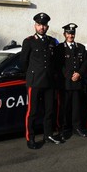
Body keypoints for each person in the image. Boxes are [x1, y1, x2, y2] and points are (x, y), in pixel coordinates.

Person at [20, 12, 63, 149]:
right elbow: (23, 62)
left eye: (44, 25)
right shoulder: (29, 41)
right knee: (32, 112)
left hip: (49, 82)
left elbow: (55, 62)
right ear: (35, 26)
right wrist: (31, 75)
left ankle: (48, 134)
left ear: (47, 27)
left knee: (49, 110)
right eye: (39, 25)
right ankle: (30, 138)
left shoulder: (52, 42)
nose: (41, 27)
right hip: (35, 81)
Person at [55, 23, 87, 139]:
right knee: (64, 107)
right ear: (64, 34)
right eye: (68, 33)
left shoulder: (80, 47)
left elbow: (85, 63)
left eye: (72, 33)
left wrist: (79, 73)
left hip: (77, 82)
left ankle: (77, 127)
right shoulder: (59, 48)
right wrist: (70, 75)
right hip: (65, 83)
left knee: (77, 107)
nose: (71, 35)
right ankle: (64, 129)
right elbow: (59, 65)